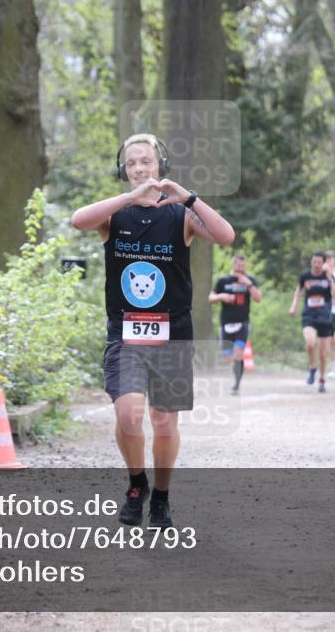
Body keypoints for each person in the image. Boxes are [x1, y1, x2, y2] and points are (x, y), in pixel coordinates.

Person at [71, 133, 234, 529]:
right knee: (128, 415)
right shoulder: (115, 215)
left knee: (164, 423)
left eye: (146, 160)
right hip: (125, 333)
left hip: (173, 334)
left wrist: (189, 197)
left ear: (161, 165)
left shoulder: (182, 216)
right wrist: (130, 198)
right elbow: (78, 220)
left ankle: (161, 496)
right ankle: (135, 484)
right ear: (123, 170)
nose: (140, 168)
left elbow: (226, 236)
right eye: (132, 163)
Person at [209, 253, 262, 396]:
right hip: (225, 324)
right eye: (238, 265)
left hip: (243, 323)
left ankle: (236, 385)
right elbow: (211, 298)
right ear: (233, 265)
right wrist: (221, 296)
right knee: (227, 358)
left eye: (243, 266)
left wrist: (248, 284)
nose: (241, 268)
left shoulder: (249, 280)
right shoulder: (223, 281)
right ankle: (234, 369)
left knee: (238, 355)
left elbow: (258, 298)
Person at [289, 251, 335, 393]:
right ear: (311, 262)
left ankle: (322, 380)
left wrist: (329, 278)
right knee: (310, 343)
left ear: (323, 263)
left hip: (324, 317)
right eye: (314, 262)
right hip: (309, 315)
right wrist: (294, 305)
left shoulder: (328, 277)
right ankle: (312, 367)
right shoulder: (305, 276)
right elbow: (298, 290)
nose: (316, 265)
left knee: (323, 352)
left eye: (319, 262)